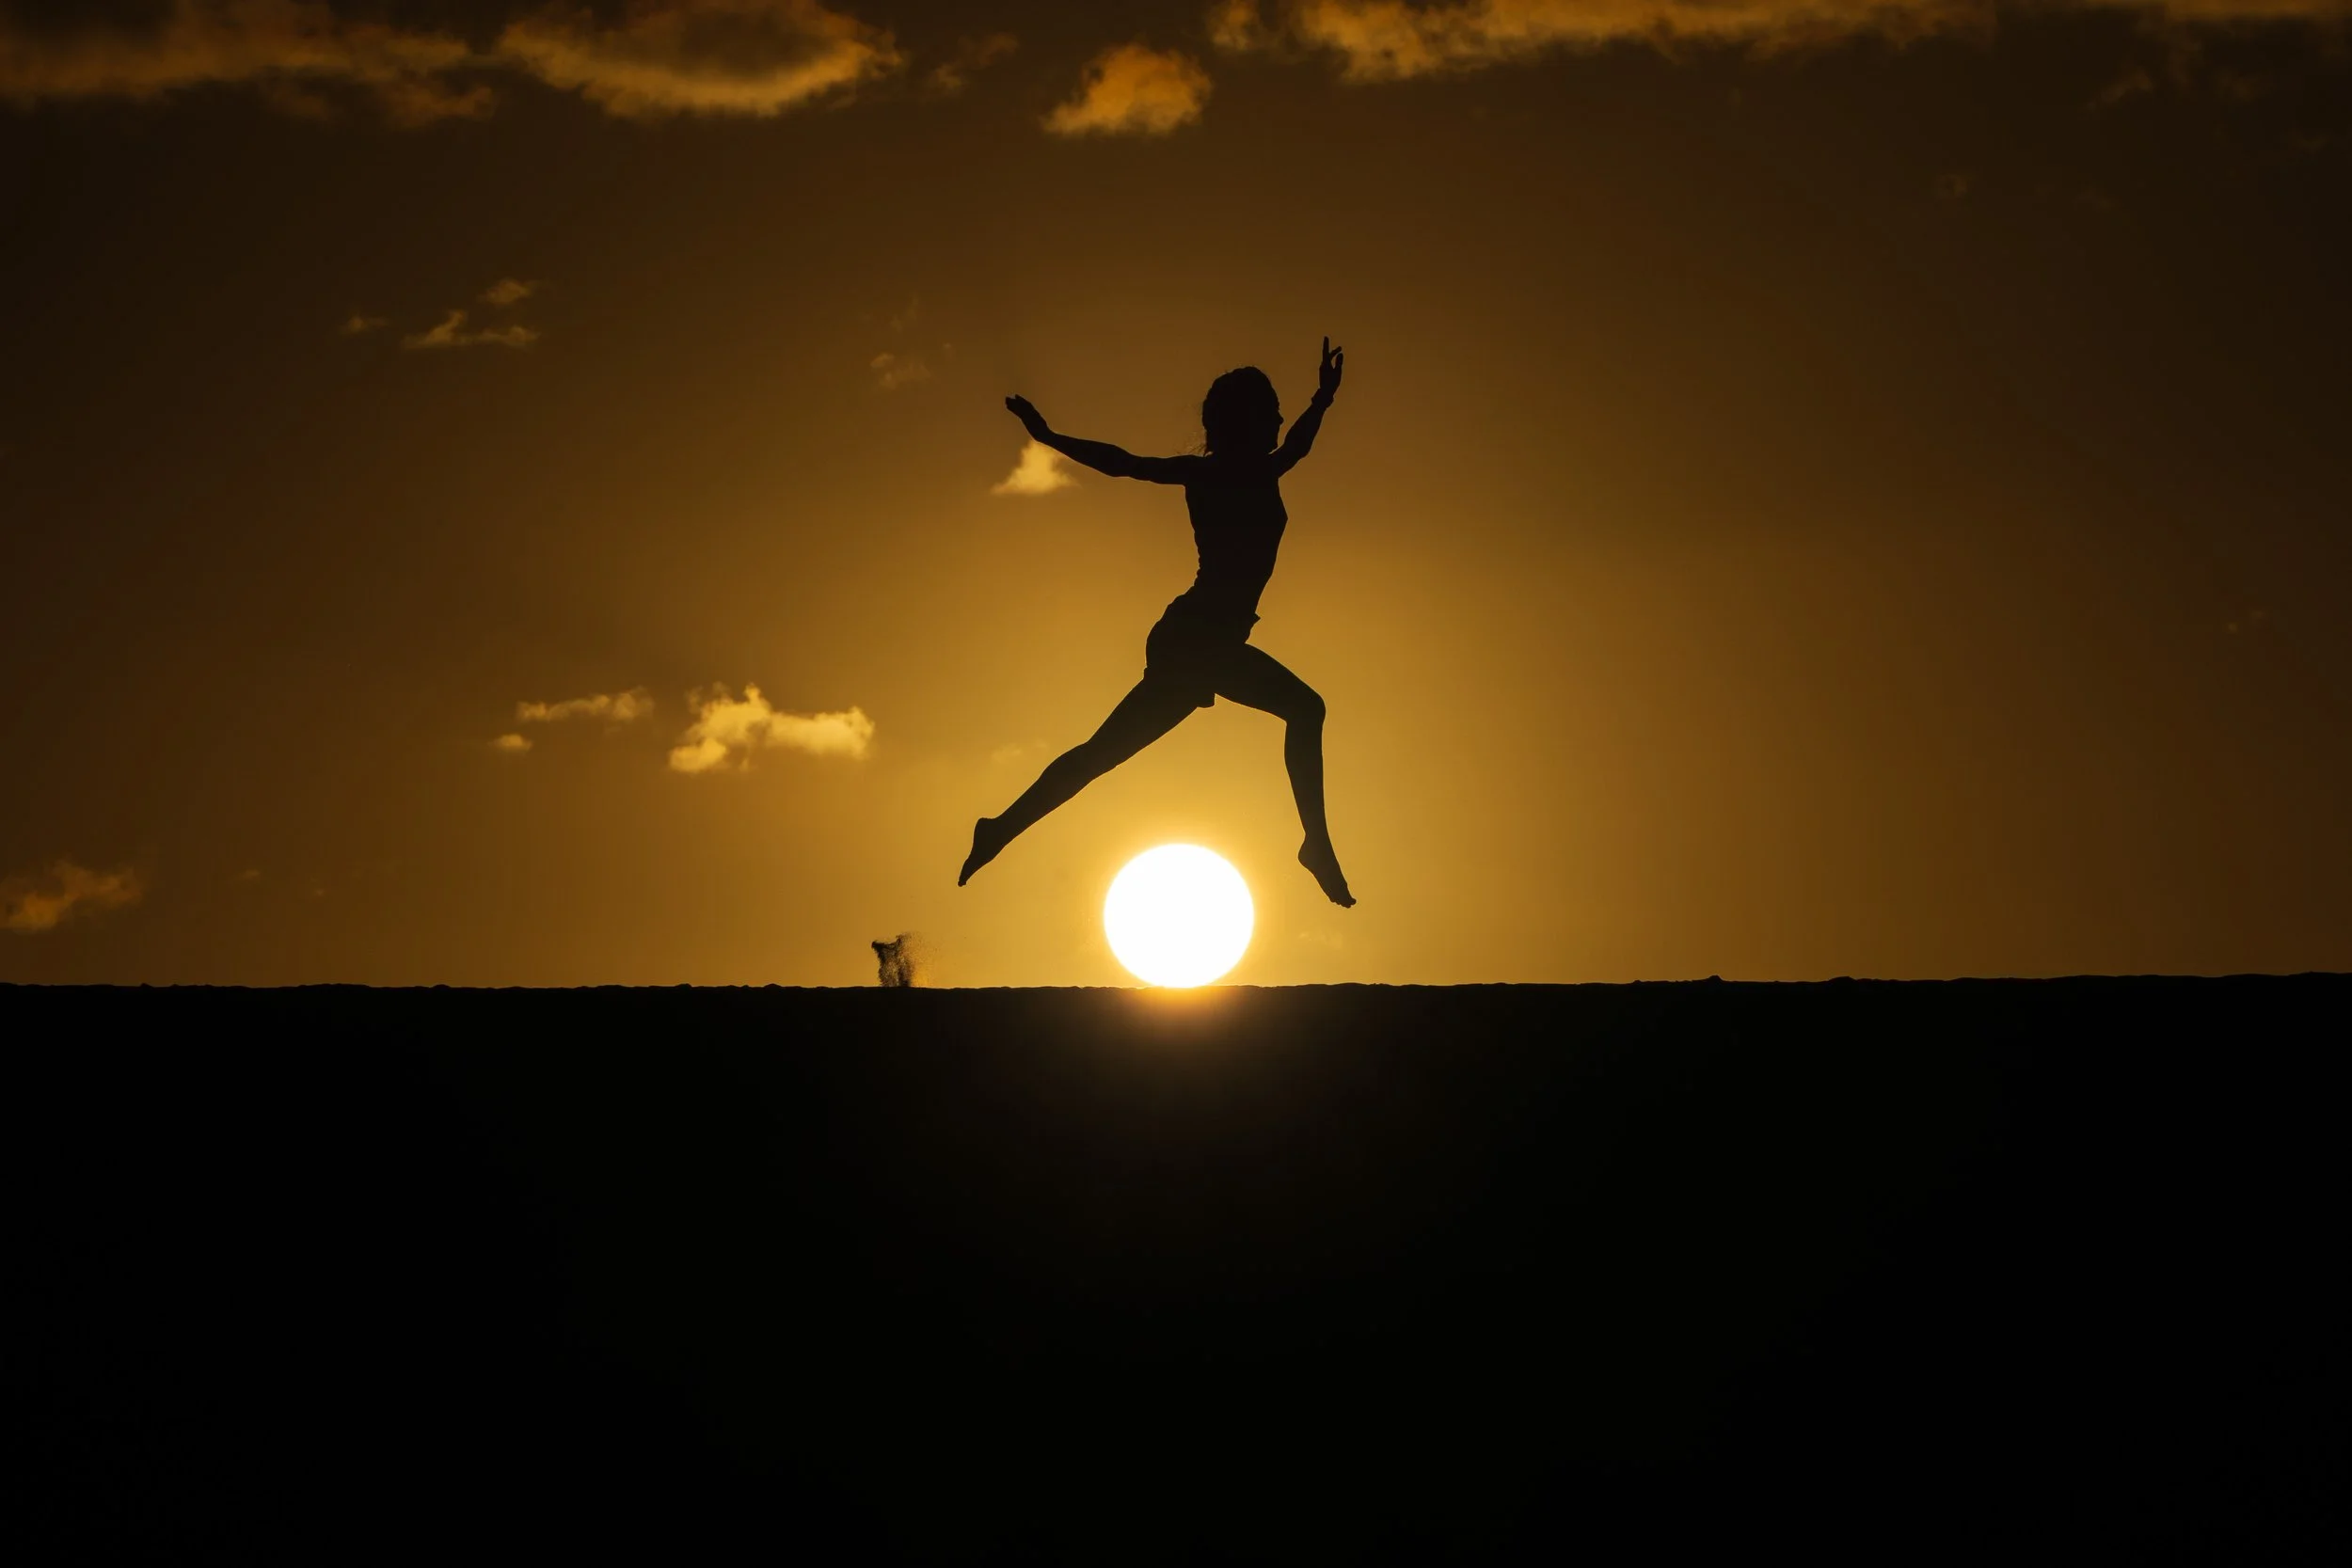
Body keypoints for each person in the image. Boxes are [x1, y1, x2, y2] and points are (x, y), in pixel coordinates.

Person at [959, 339, 1355, 907]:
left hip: (1200, 641)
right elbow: (1124, 463)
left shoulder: (1264, 470)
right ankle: (1316, 843)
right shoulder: (1216, 474)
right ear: (1244, 421)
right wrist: (1048, 438)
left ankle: (999, 828)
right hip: (1198, 639)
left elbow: (1299, 442)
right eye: (1270, 411)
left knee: (1102, 753)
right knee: (1305, 708)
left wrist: (1322, 399)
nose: (1278, 419)